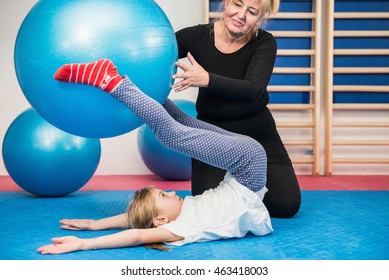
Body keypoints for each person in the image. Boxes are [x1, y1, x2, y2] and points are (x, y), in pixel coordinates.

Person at [37, 59, 273, 254]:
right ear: (161, 221)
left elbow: (135, 219)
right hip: (247, 168)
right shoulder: (183, 227)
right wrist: (87, 244)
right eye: (163, 195)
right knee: (173, 134)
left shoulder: (173, 218)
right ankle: (110, 80)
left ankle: (147, 91)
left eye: (164, 193)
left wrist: (94, 225)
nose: (172, 192)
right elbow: (138, 233)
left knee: (183, 125)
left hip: (246, 166)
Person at [171, 0, 301, 218]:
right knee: (209, 208)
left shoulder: (264, 42)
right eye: (237, 5)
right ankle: (240, 188)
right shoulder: (196, 36)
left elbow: (253, 89)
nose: (241, 15)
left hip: (257, 134)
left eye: (251, 12)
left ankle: (238, 188)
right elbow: (157, 51)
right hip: (211, 135)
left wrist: (207, 79)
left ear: (260, 18)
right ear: (226, 4)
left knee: (286, 205)